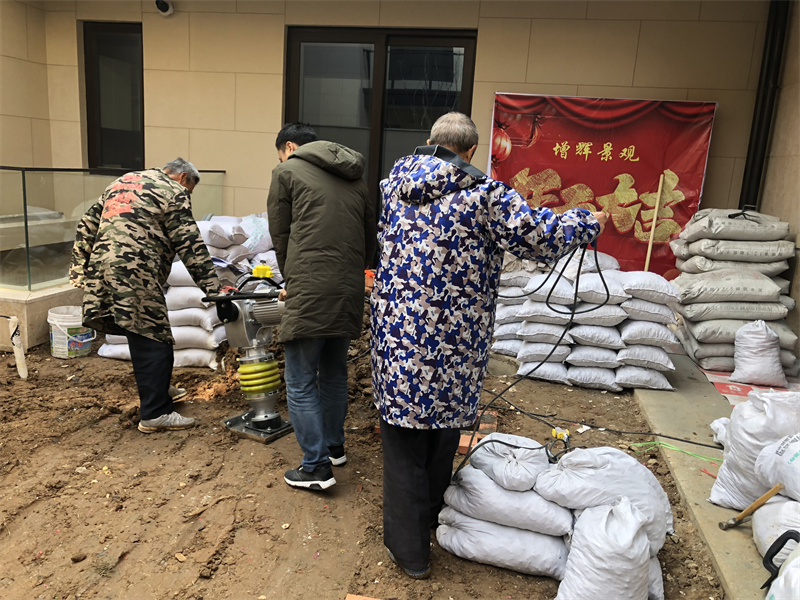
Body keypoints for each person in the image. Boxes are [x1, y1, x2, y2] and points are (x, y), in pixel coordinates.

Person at [370, 112, 607, 578]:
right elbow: (540, 238)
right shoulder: (485, 195)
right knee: (441, 433)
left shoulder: (393, 186)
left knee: (403, 441)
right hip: (454, 343)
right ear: (472, 151)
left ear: (430, 142)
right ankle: (429, 522)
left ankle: (410, 551)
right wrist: (587, 221)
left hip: (398, 338)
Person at [70, 158, 221, 433]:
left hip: (103, 268)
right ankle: (156, 413)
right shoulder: (174, 192)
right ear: (183, 178)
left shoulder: (123, 181)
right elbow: (190, 244)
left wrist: (79, 271)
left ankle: (158, 389)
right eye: (189, 190)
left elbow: (87, 224)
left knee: (139, 332)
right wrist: (214, 291)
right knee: (155, 338)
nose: (188, 196)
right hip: (135, 271)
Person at [268, 123, 376, 491]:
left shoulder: (286, 172)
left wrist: (292, 280)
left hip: (310, 287)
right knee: (333, 373)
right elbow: (370, 237)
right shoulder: (355, 178)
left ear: (290, 147)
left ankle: (315, 467)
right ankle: (334, 447)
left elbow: (281, 233)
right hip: (347, 289)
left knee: (300, 381)